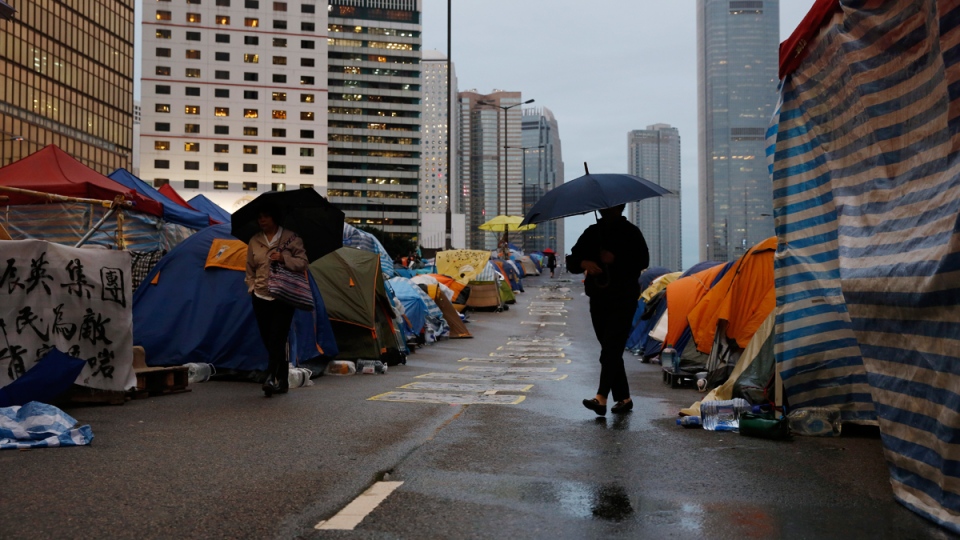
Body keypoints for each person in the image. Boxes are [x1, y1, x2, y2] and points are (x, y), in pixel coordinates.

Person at [566, 204, 649, 415]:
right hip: (598, 299)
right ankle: (624, 398)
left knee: (610, 348)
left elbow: (642, 261)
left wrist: (615, 259)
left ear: (620, 207)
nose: (606, 209)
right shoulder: (592, 233)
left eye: (611, 206)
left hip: (623, 299)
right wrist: (584, 261)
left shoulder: (631, 232)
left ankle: (601, 397)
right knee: (609, 348)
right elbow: (572, 261)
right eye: (603, 206)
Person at [244, 204, 309, 397]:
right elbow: (250, 268)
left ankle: (271, 377)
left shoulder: (291, 238)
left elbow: (303, 263)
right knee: (268, 339)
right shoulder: (254, 240)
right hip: (261, 295)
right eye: (259, 217)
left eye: (266, 216)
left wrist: (283, 258)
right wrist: (252, 286)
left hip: (283, 296)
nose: (262, 220)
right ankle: (282, 381)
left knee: (277, 338)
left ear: (274, 218)